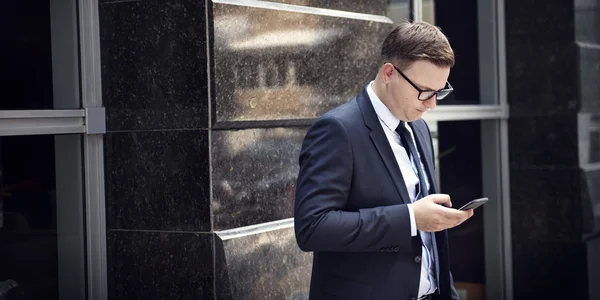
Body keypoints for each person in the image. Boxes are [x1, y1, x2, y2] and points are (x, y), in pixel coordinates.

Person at [294, 21, 474, 300]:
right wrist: (411, 218)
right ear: (389, 73)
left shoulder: (418, 127)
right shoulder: (338, 130)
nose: (432, 104)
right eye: (425, 91)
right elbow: (313, 227)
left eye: (440, 92)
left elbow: (430, 245)